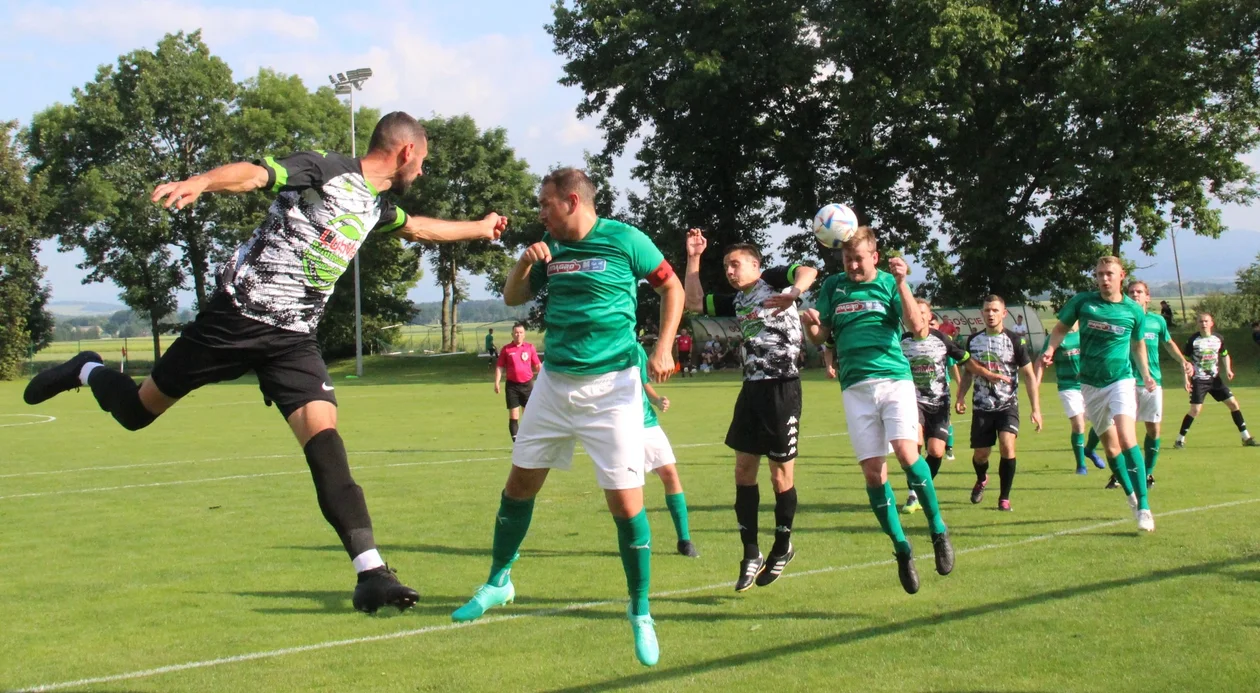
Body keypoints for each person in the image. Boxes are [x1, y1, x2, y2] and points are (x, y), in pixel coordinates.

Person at [22, 112, 505, 613]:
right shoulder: (324, 169)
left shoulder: (374, 207)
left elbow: (420, 229)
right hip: (234, 320)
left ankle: (371, 573)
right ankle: (86, 368)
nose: (421, 173)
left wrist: (480, 228)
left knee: (326, 445)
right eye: (422, 162)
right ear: (406, 153)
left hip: (293, 340)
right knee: (135, 413)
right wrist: (201, 182)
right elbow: (255, 173)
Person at [450, 168, 684, 668]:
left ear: (572, 201)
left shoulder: (626, 239)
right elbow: (514, 298)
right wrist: (523, 261)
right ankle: (499, 582)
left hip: (614, 390)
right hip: (554, 385)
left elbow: (673, 288)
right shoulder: (546, 249)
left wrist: (663, 347)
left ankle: (640, 609)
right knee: (518, 487)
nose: (540, 214)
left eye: (545, 205)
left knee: (625, 505)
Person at [802, 226, 954, 595]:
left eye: (859, 258)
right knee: (873, 474)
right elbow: (821, 338)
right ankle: (902, 548)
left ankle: (937, 529)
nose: (853, 265)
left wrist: (903, 283)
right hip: (855, 387)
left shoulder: (889, 283)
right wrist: (812, 325)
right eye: (847, 259)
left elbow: (918, 329)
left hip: (893, 380)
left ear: (874, 256)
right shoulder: (833, 287)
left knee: (906, 452)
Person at [683, 228, 818, 591]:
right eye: (726, 265)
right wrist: (694, 257)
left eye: (736, 264)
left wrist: (793, 292)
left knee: (780, 477)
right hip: (752, 390)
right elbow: (694, 303)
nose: (730, 270)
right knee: (743, 471)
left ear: (756, 266)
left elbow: (809, 270)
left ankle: (783, 545)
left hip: (783, 389)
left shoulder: (772, 281)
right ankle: (751, 553)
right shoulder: (737, 301)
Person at [1042, 256, 1156, 531]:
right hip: (1090, 385)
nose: (1104, 279)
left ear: (1121, 276)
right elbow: (1059, 329)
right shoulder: (1083, 302)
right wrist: (1050, 349)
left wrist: (1146, 373)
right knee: (1110, 447)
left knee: (1127, 438)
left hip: (1121, 380)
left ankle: (1144, 506)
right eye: (1100, 274)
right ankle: (1130, 495)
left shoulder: (1133, 310)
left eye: (1109, 274)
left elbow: (1138, 345)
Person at [900, 298, 1009, 514]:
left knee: (936, 451)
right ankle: (914, 494)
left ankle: (922, 486)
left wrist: (988, 374)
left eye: (923, 312)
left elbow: (966, 361)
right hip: (913, 403)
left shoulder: (942, 340)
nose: (918, 316)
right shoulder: (901, 342)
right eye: (914, 312)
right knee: (916, 445)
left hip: (939, 403)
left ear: (930, 317)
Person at [956, 295, 1042, 511]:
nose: (990, 314)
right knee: (981, 454)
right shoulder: (973, 341)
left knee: (1007, 444)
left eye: (995, 310)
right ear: (982, 313)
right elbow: (968, 372)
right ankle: (982, 478)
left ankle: (1004, 498)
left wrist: (1036, 409)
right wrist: (960, 396)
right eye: (987, 310)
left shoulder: (1015, 340)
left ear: (1004, 313)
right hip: (981, 406)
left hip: (1007, 405)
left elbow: (1029, 375)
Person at [1122, 281, 1193, 488]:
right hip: (1125, 381)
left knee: (1153, 430)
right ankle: (1123, 474)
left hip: (1152, 383)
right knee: (1125, 432)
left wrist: (1183, 362)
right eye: (1131, 292)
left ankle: (1147, 473)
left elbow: (1169, 343)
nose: (1135, 294)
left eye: (1139, 292)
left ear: (1147, 297)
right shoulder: (1121, 318)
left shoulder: (1157, 321)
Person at [636, 346, 698, 558]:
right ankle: (638, 542)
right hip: (620, 426)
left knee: (670, 474)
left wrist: (656, 399)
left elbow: (644, 383)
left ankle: (684, 539)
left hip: (647, 423)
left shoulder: (635, 348)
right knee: (632, 487)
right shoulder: (602, 346)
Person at [1174, 311, 1257, 449]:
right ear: (1197, 324)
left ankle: (1246, 437)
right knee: (1195, 410)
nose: (1204, 324)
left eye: (1206, 321)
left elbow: (1224, 354)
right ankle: (1179, 440)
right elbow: (1185, 362)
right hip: (1199, 379)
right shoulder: (1193, 340)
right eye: (1201, 321)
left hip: (1215, 380)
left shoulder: (1218, 338)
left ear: (1212, 323)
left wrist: (1228, 369)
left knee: (1233, 404)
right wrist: (1186, 379)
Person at [1034, 322, 1106, 475]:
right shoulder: (1056, 336)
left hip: (1090, 384)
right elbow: (1041, 361)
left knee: (1103, 422)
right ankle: (1081, 466)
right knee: (1079, 424)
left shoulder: (1087, 333)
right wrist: (1036, 384)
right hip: (1068, 386)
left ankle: (1090, 450)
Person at [494, 322, 541, 441]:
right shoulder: (506, 349)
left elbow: (537, 366)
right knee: (514, 415)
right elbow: (500, 366)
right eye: (516, 333)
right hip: (512, 386)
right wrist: (497, 382)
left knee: (528, 415)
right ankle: (516, 442)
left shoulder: (530, 348)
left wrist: (545, 380)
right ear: (512, 334)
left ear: (524, 334)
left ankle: (529, 439)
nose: (518, 335)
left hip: (527, 385)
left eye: (520, 333)